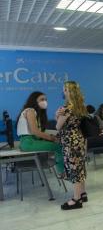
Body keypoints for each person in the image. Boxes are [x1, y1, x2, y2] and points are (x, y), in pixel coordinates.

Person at [56, 81, 88, 210]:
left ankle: (76, 199)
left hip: (70, 142)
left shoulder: (68, 108)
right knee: (79, 167)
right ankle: (82, 193)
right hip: (79, 139)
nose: (63, 92)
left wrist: (58, 115)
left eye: (65, 89)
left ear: (69, 91)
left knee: (74, 169)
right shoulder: (80, 105)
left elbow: (58, 126)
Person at [16, 91, 64, 175]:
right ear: (34, 100)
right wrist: (52, 138)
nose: (44, 101)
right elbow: (35, 132)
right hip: (28, 142)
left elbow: (37, 133)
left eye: (45, 99)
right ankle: (62, 172)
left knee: (57, 145)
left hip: (31, 141)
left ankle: (61, 170)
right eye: (42, 99)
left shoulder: (35, 113)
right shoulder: (30, 111)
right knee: (58, 146)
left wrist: (51, 138)